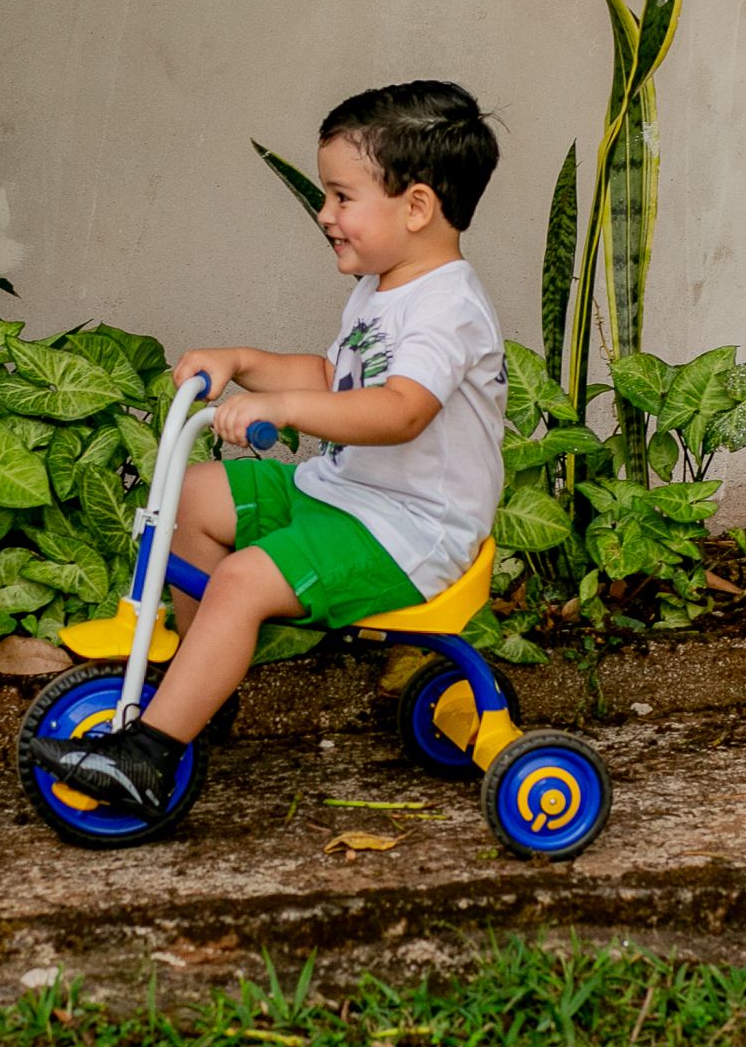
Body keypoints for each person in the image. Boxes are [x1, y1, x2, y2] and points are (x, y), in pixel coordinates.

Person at [30, 81, 506, 820]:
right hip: (347, 495)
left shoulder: (447, 308)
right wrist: (245, 361)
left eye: (342, 197)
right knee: (192, 499)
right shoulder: (386, 288)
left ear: (416, 207)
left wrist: (280, 408)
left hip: (411, 531)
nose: (325, 215)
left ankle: (147, 759)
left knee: (244, 581)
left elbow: (400, 410)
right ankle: (198, 690)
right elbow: (332, 378)